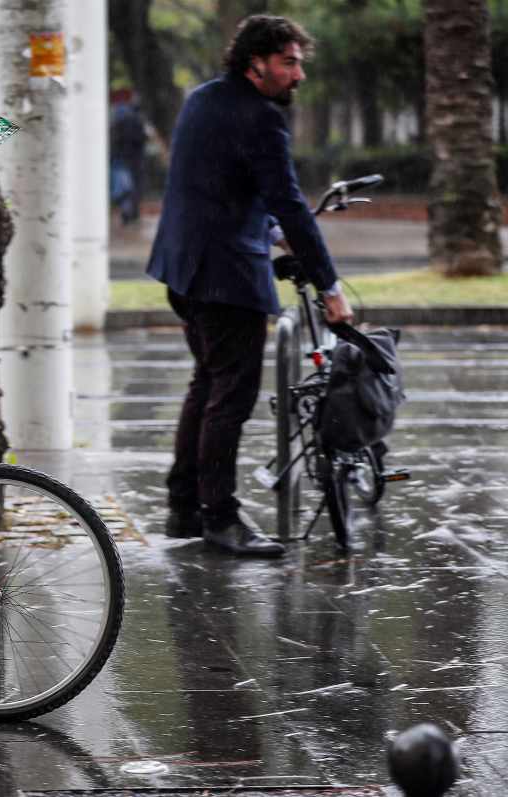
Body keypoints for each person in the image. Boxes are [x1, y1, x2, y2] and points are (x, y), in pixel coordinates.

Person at [146, 14, 353, 557]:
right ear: (255, 63)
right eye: (289, 62)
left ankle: (184, 502)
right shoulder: (260, 117)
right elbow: (286, 199)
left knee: (206, 385)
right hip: (226, 278)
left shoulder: (202, 100)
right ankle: (221, 517)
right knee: (229, 400)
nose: (299, 74)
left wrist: (272, 230)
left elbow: (218, 186)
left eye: (299, 61)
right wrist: (330, 287)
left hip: (183, 269)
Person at [109, 89, 147, 225]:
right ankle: (130, 213)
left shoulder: (117, 118)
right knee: (129, 188)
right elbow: (141, 138)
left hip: (121, 158)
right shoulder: (135, 118)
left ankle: (128, 213)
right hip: (131, 159)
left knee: (125, 188)